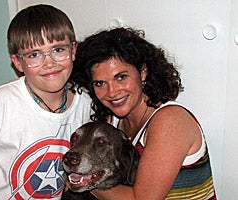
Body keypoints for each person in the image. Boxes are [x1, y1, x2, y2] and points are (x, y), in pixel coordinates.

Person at [0, 4, 92, 200]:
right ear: (18, 63)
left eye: (57, 49)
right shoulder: (0, 102)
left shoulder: (85, 102)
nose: (49, 63)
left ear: (73, 50)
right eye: (34, 55)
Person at [72, 27, 216, 199]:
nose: (112, 92)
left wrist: (80, 180)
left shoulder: (170, 121)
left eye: (121, 77)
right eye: (100, 83)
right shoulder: (111, 122)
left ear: (143, 73)